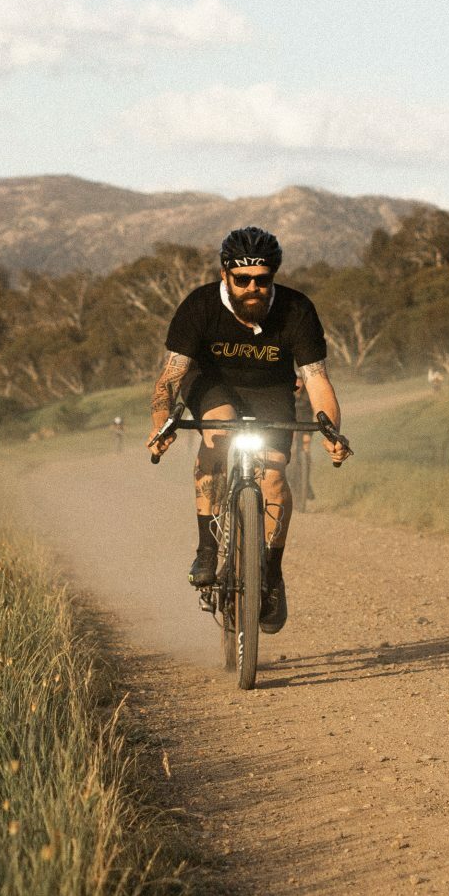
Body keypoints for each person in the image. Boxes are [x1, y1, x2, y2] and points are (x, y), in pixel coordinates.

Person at [146, 226, 345, 632]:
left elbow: (317, 380)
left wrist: (332, 433)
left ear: (273, 276)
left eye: (263, 279)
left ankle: (271, 573)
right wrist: (162, 425)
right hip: (210, 383)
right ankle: (206, 548)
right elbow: (169, 378)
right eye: (243, 280)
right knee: (217, 433)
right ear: (225, 276)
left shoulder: (296, 309)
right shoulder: (199, 306)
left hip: (270, 388)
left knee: (273, 475)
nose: (253, 287)